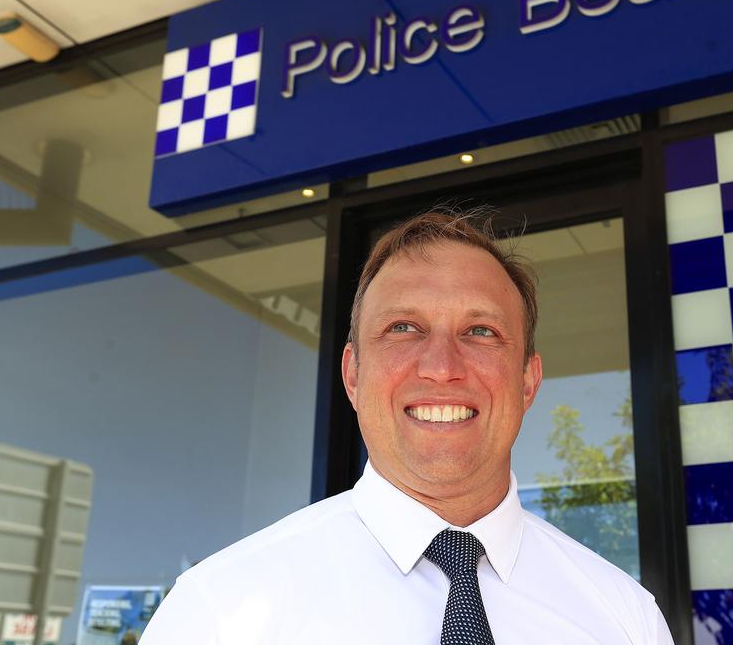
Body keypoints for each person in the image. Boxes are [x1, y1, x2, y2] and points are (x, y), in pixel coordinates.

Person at [140, 208, 673, 644]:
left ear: (528, 382)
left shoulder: (625, 618)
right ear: (352, 375)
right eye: (403, 328)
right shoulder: (221, 611)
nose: (442, 366)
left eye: (481, 331)